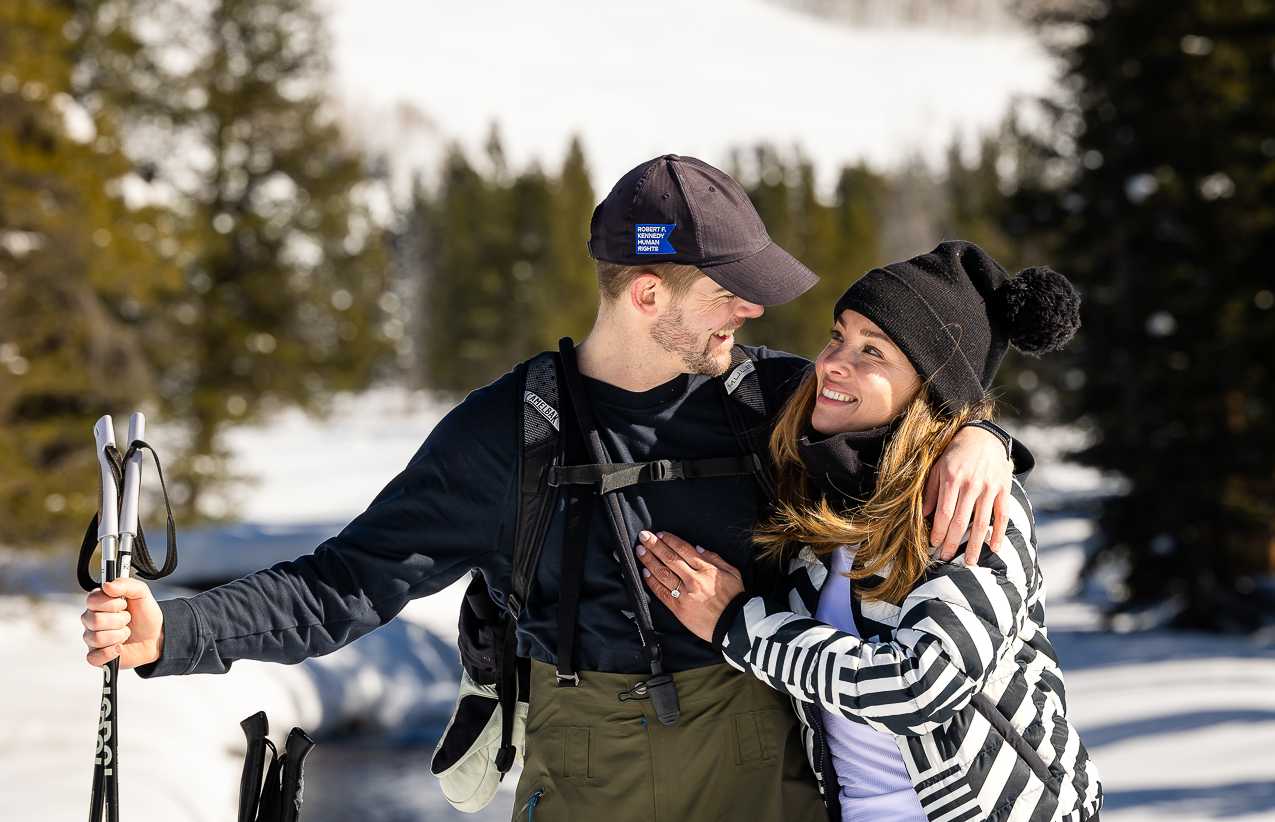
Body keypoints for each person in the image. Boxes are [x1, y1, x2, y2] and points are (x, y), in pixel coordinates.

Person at [82, 158, 1020, 822]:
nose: (754, 310)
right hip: (586, 775)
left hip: (764, 771)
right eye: (728, 290)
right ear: (646, 293)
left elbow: (911, 407)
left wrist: (983, 435)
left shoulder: (776, 398)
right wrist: (178, 630)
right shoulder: (506, 433)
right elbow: (347, 581)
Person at [635, 241, 1103, 822]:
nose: (833, 362)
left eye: (872, 351)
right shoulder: (823, 489)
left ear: (928, 389)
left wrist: (739, 627)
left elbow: (924, 684)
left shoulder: (970, 504)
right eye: (838, 335)